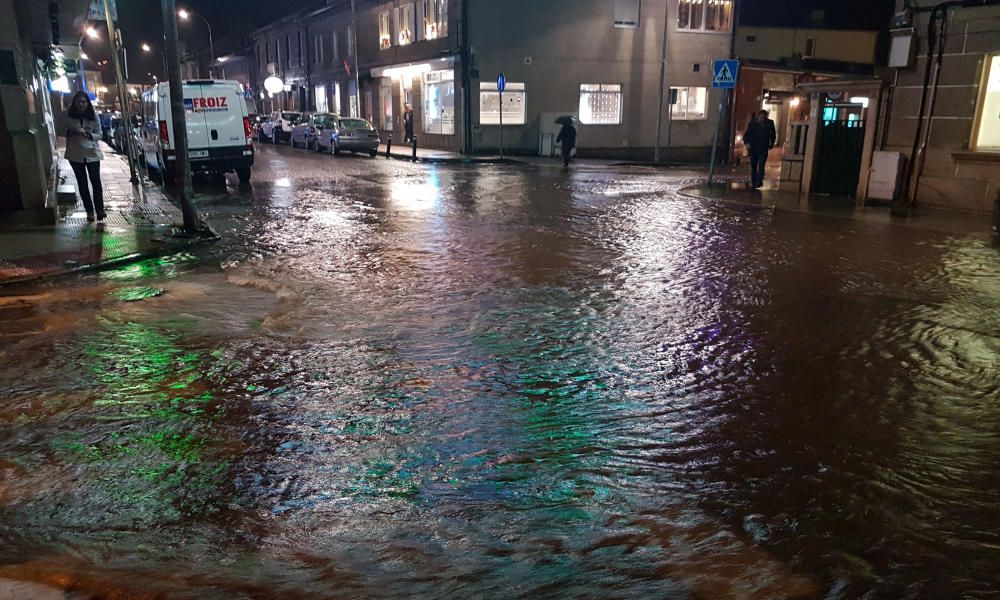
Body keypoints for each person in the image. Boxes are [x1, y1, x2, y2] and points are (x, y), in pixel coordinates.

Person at [61, 91, 105, 222]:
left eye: (84, 102)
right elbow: (60, 130)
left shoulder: (93, 116)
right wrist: (70, 132)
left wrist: (90, 135)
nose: (81, 104)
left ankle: (100, 210)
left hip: (92, 153)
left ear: (87, 103)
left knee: (96, 181)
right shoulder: (68, 116)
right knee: (82, 183)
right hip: (75, 154)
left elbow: (100, 134)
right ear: (74, 103)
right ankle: (89, 211)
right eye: (78, 102)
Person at [744, 110, 776, 189]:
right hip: (754, 147)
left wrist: (771, 144)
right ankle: (754, 181)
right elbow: (747, 134)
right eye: (761, 118)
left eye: (764, 118)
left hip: (763, 147)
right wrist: (747, 143)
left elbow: (773, 134)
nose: (762, 119)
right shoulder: (753, 124)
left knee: (761, 164)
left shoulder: (769, 123)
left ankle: (759, 181)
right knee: (754, 165)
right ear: (758, 117)